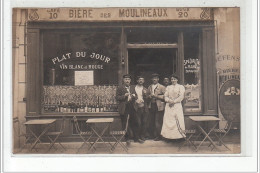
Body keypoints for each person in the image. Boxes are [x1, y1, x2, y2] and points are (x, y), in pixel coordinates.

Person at [116, 74, 144, 144]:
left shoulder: (132, 87)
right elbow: (117, 98)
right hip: (124, 107)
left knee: (135, 122)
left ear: (130, 80)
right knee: (125, 123)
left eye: (128, 79)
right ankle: (127, 138)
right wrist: (124, 96)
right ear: (123, 80)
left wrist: (135, 96)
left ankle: (136, 138)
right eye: (126, 79)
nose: (127, 80)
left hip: (132, 106)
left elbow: (136, 96)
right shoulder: (120, 88)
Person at [161, 74, 186, 141]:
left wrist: (174, 102)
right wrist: (169, 101)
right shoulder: (168, 87)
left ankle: (178, 138)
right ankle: (169, 137)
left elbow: (181, 96)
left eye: (174, 79)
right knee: (169, 121)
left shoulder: (181, 87)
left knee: (177, 120)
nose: (173, 80)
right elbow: (165, 96)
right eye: (172, 79)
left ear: (177, 80)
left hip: (177, 105)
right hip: (169, 105)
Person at [147, 73, 166, 141]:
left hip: (159, 106)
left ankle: (159, 136)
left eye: (156, 78)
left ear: (158, 79)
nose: (154, 79)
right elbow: (147, 96)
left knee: (158, 121)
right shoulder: (149, 87)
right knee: (151, 121)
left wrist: (156, 96)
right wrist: (149, 96)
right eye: (153, 78)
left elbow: (165, 96)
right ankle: (152, 135)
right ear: (152, 79)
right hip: (151, 105)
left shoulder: (162, 87)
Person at [131, 76, 149, 141]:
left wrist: (145, 96)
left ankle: (142, 136)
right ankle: (136, 137)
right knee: (137, 122)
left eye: (142, 80)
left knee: (144, 122)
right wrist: (135, 100)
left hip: (144, 107)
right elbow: (130, 96)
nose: (141, 81)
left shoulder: (146, 89)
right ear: (137, 81)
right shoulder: (133, 88)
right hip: (136, 107)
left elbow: (148, 98)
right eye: (139, 79)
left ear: (144, 81)